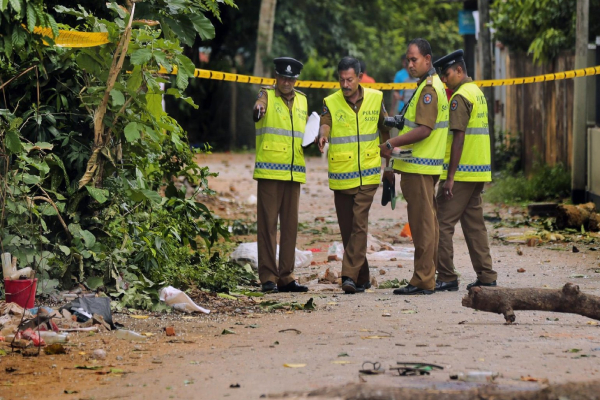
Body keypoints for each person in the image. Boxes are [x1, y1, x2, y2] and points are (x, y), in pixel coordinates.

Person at [379, 38, 449, 295]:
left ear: (428, 60)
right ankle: (426, 276)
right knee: (427, 223)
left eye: (414, 59)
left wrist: (391, 144)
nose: (410, 64)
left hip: (420, 167)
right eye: (408, 60)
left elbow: (424, 129)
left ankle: (423, 279)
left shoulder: (429, 90)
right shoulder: (425, 87)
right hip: (422, 167)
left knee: (422, 225)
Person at [317, 56, 392, 294]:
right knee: (348, 228)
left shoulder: (376, 98)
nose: (345, 84)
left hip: (369, 174)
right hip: (342, 175)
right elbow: (325, 122)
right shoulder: (330, 101)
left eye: (350, 79)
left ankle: (348, 276)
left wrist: (388, 167)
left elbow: (385, 129)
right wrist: (323, 134)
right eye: (341, 80)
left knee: (359, 223)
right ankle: (363, 277)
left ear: (359, 78)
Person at [432, 50, 497, 292]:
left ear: (459, 70)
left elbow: (458, 139)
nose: (444, 79)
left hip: (460, 173)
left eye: (447, 74)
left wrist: (449, 178)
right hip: (478, 170)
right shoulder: (477, 93)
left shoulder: (459, 97)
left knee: (441, 223)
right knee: (474, 224)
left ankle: (447, 276)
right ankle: (487, 275)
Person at [252, 57, 309, 293]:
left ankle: (286, 276)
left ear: (296, 79)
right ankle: (268, 276)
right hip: (270, 170)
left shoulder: (303, 101)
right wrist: (258, 110)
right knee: (267, 226)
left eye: (291, 78)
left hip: (294, 172)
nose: (286, 82)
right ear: (276, 77)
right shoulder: (266, 95)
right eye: (283, 77)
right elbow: (258, 109)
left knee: (290, 226)